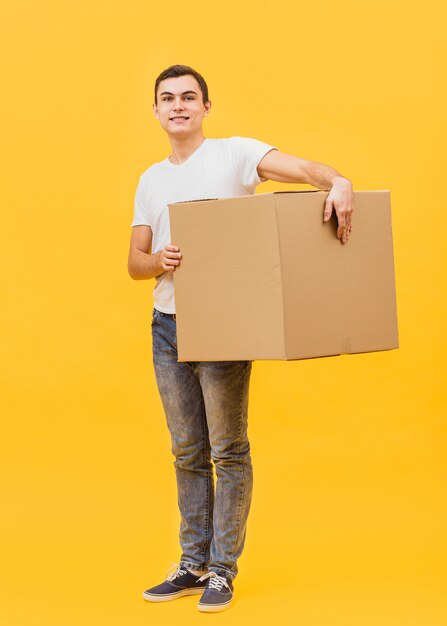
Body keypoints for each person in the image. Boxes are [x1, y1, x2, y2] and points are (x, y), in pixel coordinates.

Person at [128, 64, 354, 613]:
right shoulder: (150, 180)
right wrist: (159, 259)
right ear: (155, 112)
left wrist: (338, 181)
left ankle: (223, 569)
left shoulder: (234, 154)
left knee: (227, 450)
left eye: (188, 97)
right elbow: (135, 262)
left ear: (206, 107)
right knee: (187, 450)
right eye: (167, 98)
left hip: (224, 328)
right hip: (168, 329)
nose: (178, 105)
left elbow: (300, 168)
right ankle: (192, 562)